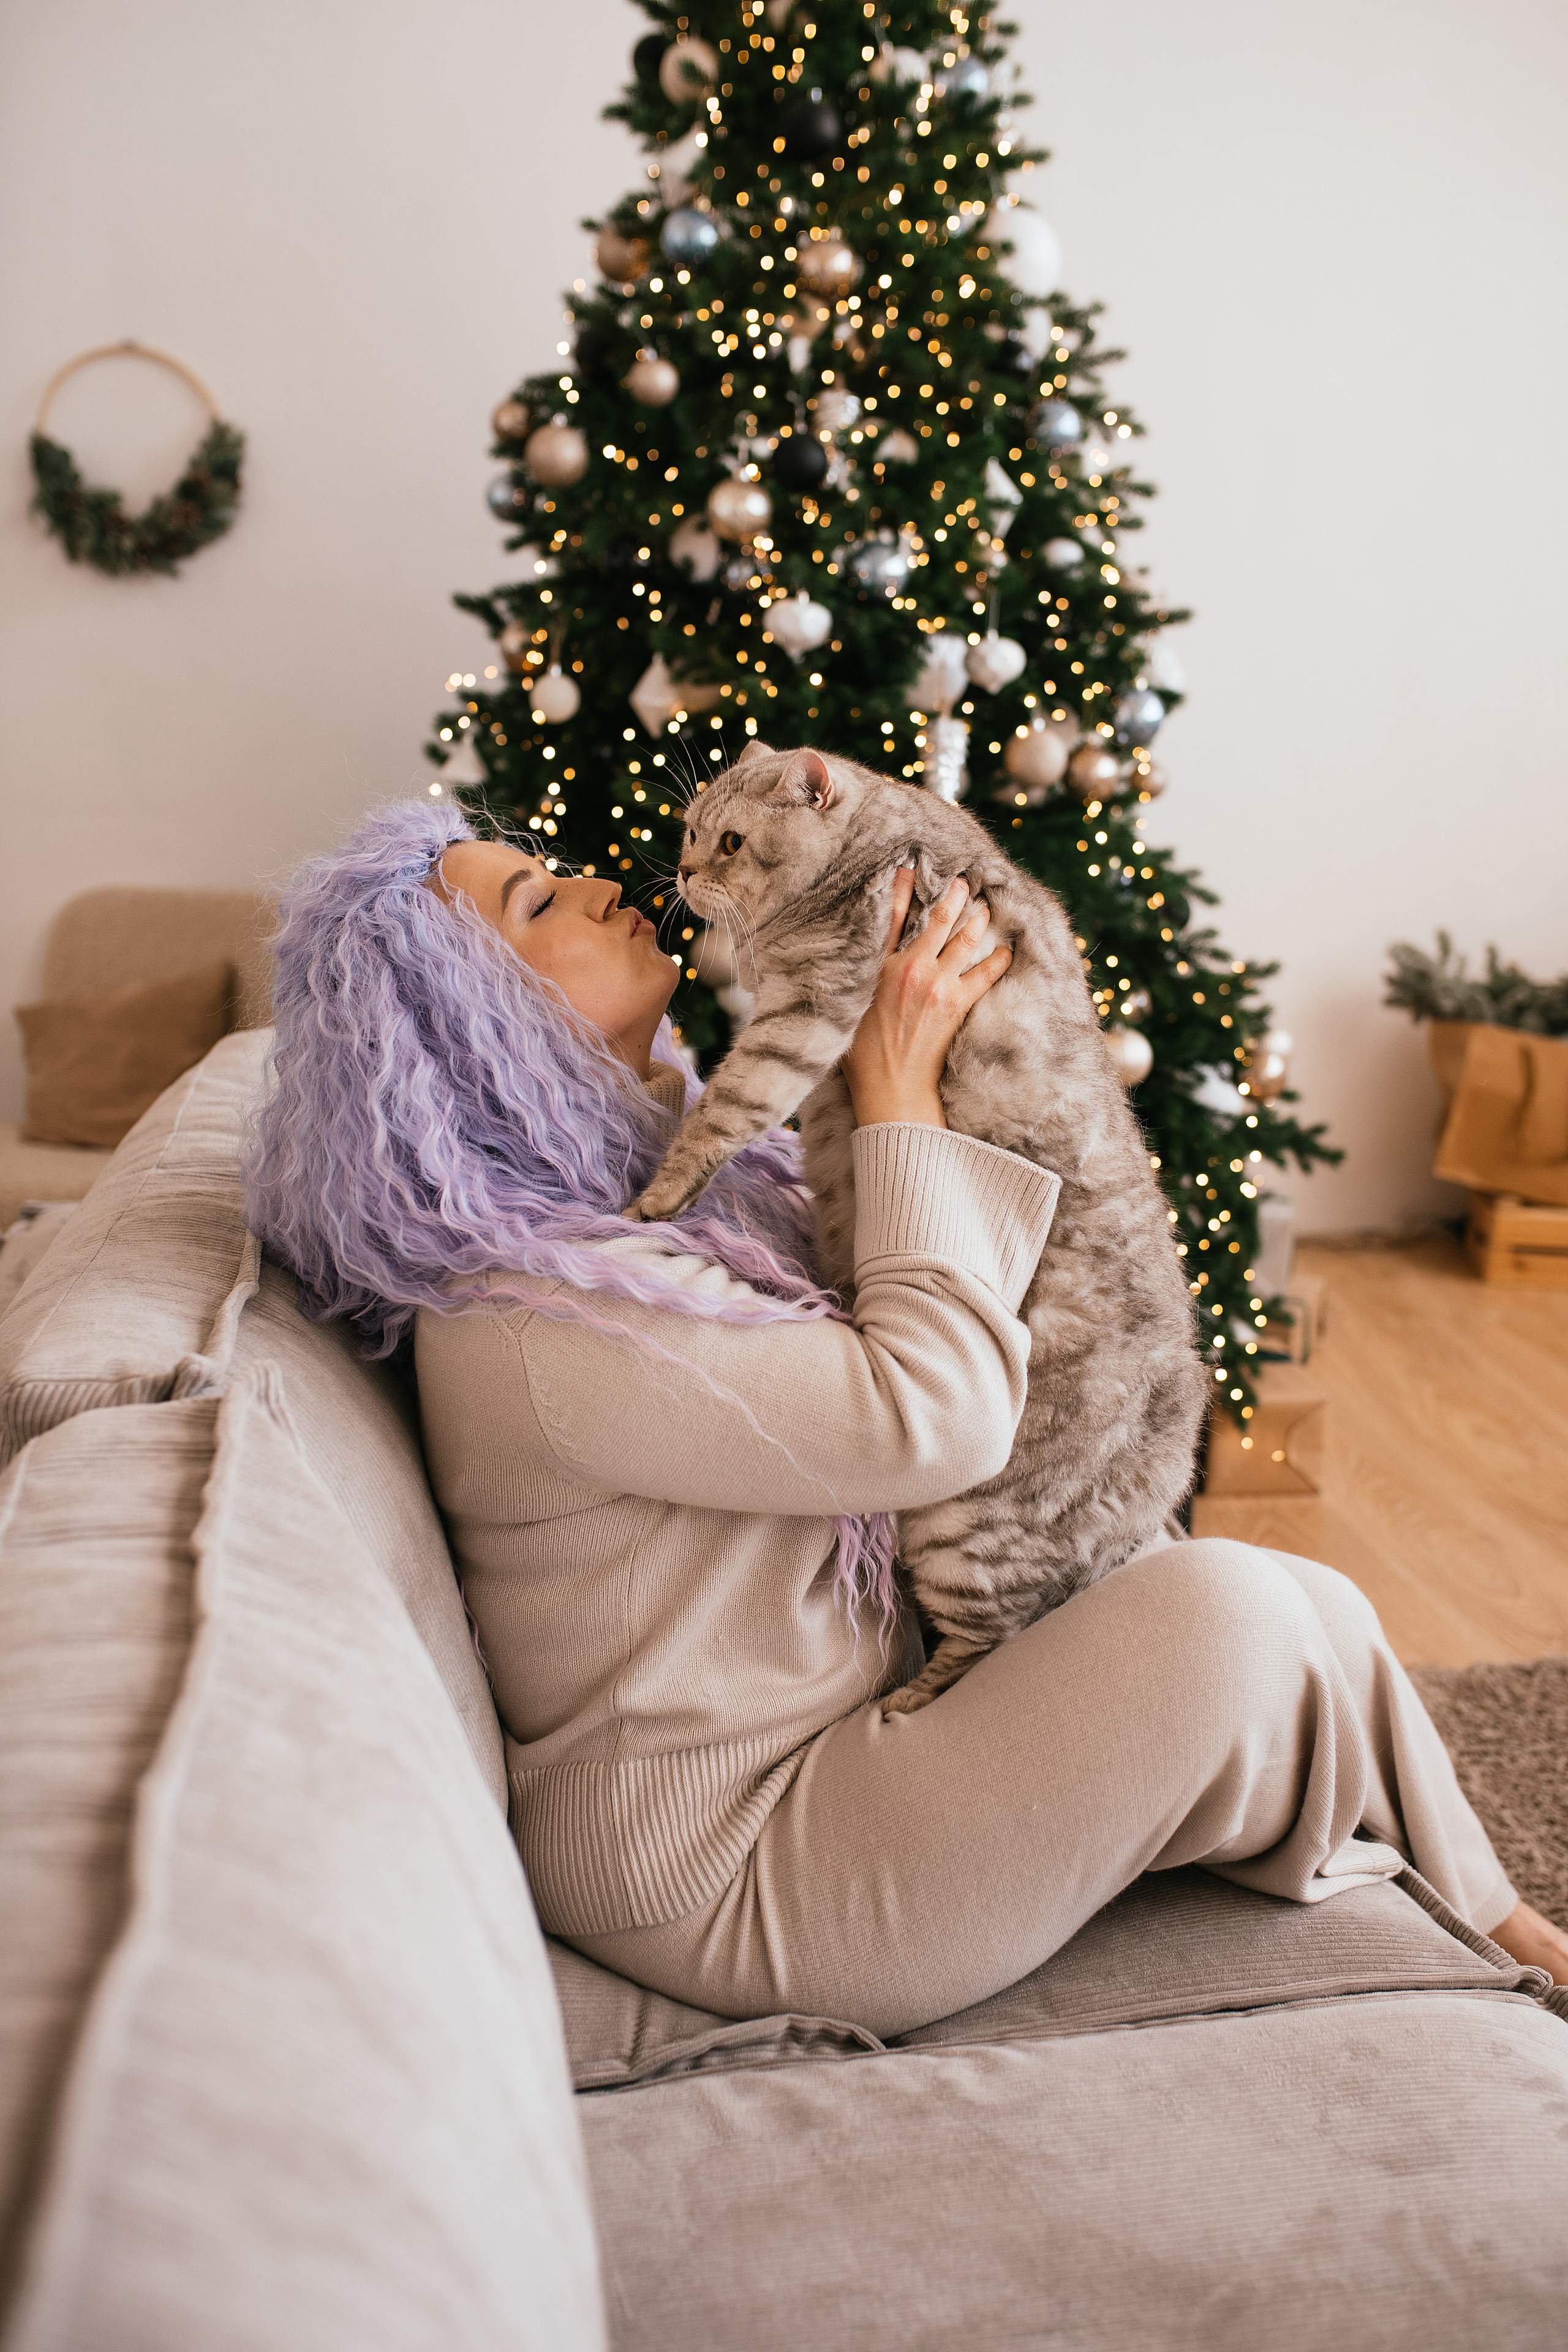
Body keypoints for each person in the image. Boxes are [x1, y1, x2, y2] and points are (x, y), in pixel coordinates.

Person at [245, 800, 1567, 2036]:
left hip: (835, 1743)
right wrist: (894, 1086)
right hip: (735, 1864)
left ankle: (1501, 1931)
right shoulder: (534, 1313)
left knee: (1303, 1605)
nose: (598, 886)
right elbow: (930, 1419)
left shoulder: (657, 1194)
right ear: (465, 1022)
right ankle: (1472, 1922)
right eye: (538, 904)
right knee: (1227, 1616)